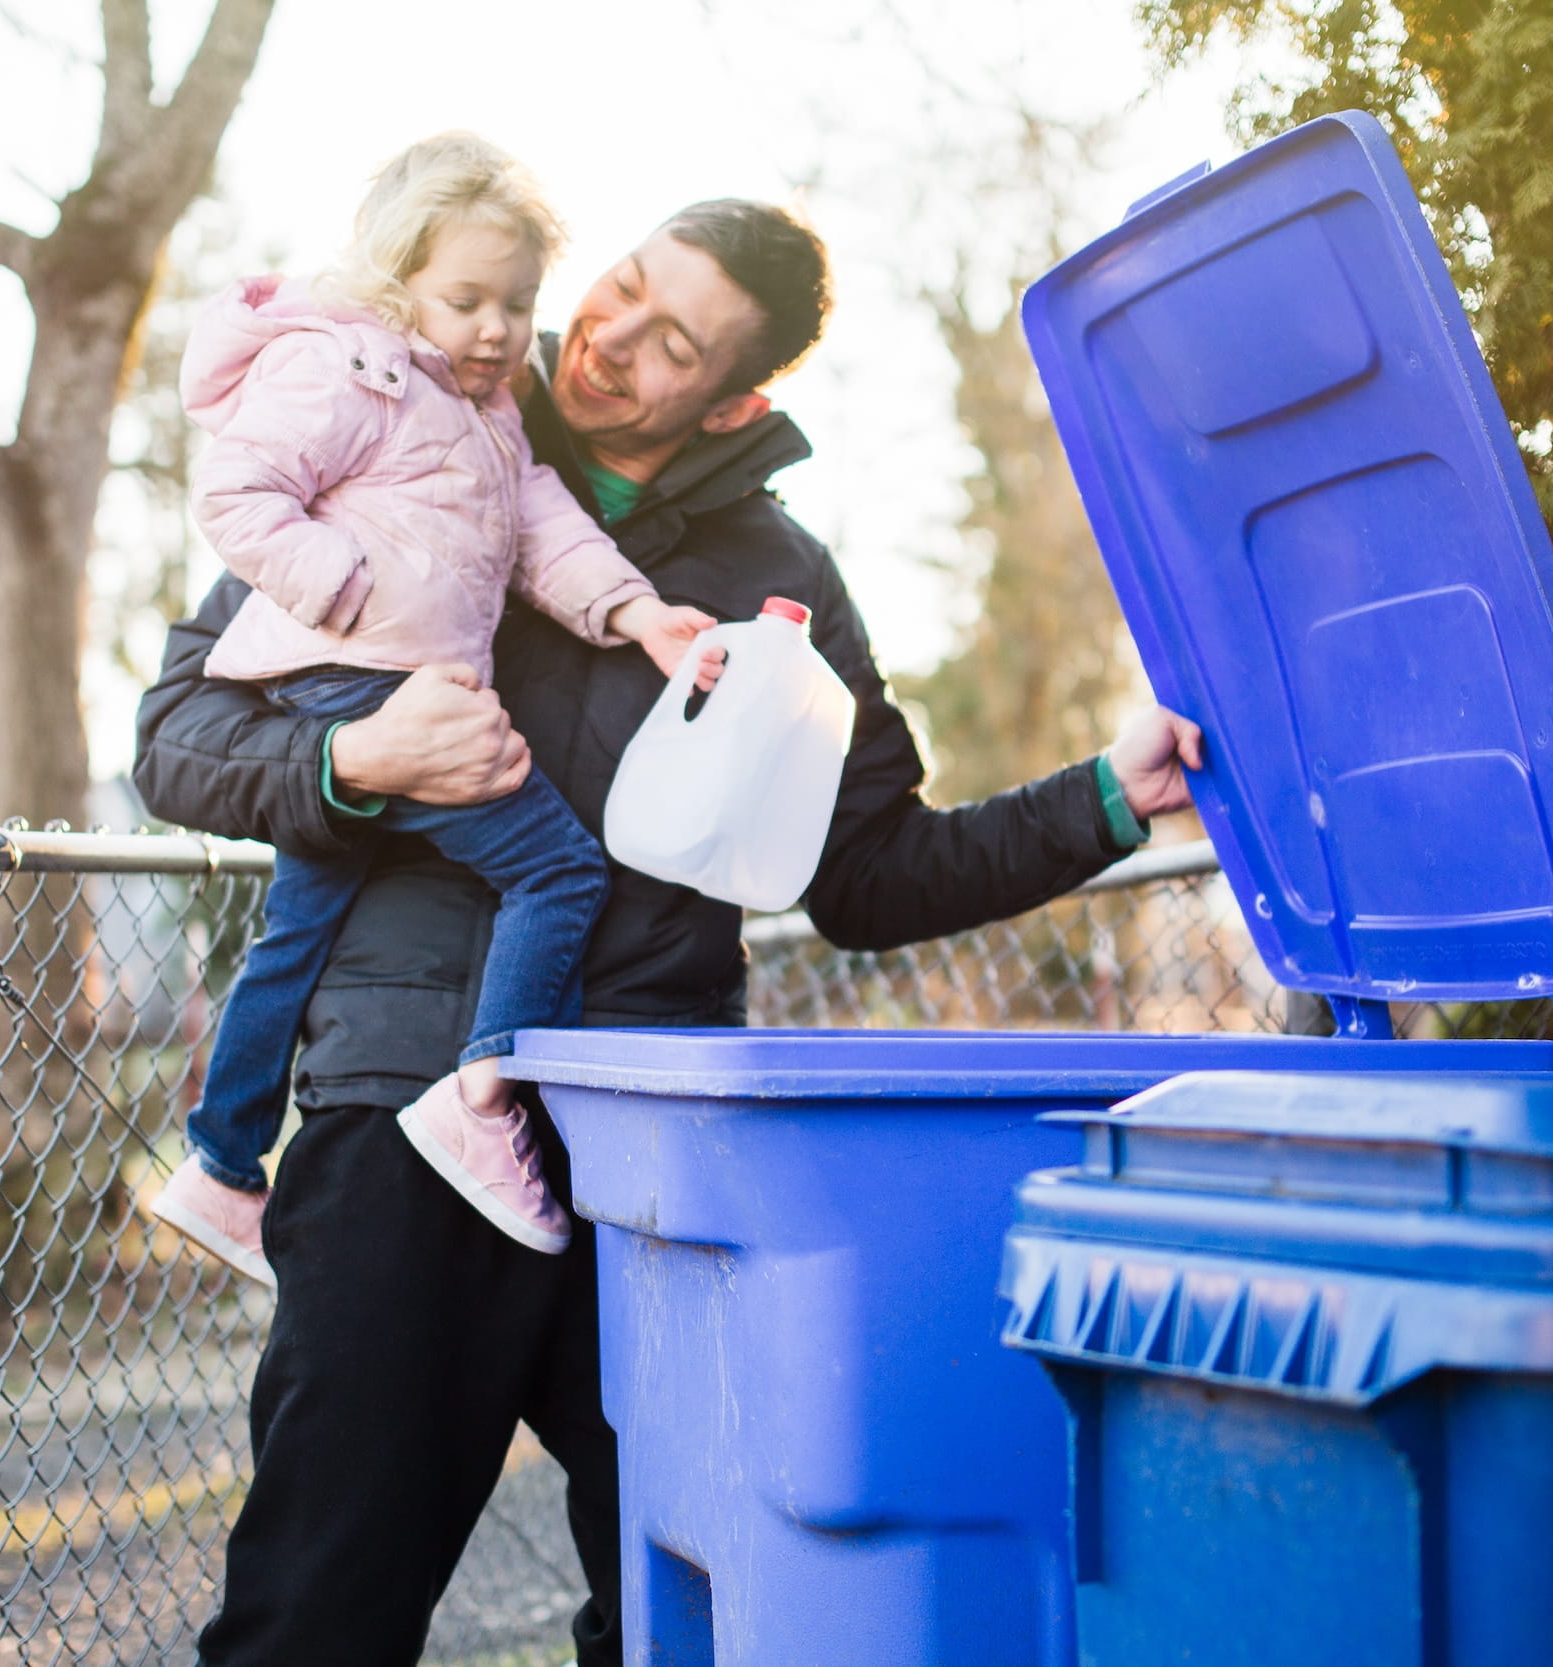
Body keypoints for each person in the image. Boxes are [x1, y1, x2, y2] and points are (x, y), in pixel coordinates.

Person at [133, 196, 1205, 1667]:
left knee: (680, 1607)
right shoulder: (414, 427)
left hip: (650, 1141)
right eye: (622, 291)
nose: (612, 344)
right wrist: (351, 762)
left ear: (739, 396)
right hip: (401, 1112)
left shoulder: (786, 584)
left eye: (673, 343)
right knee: (319, 1609)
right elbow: (180, 732)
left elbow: (872, 871)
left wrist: (1104, 796)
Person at [145, 134, 730, 1284]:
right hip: (360, 678)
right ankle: (484, 1095)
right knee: (558, 871)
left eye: (517, 303)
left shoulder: (490, 412)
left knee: (294, 933)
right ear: (397, 282)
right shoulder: (350, 369)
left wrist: (637, 612)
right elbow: (232, 488)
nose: (496, 329)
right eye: (464, 299)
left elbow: (545, 531)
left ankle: (218, 1163)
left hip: (381, 679)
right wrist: (345, 592)